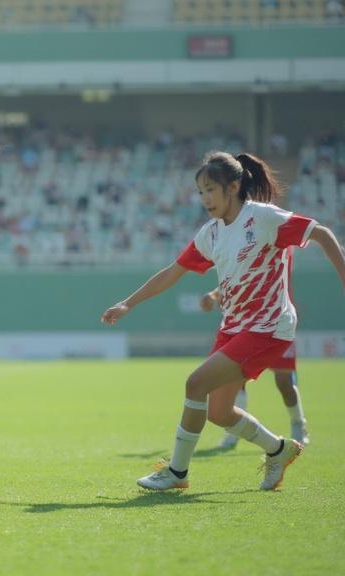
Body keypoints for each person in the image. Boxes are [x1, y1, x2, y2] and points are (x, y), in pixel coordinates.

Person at [102, 151, 345, 492]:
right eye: (200, 192)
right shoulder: (211, 233)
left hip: (268, 326)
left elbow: (320, 233)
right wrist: (128, 303)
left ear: (233, 186)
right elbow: (172, 273)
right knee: (219, 412)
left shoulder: (262, 218)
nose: (204, 199)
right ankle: (279, 448)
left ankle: (177, 473)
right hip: (234, 327)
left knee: (195, 384)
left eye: (210, 190)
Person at [201, 248, 309, 450]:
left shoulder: (276, 238)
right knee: (233, 379)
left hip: (277, 322)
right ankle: (233, 433)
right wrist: (215, 294)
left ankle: (298, 424)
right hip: (245, 323)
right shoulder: (248, 236)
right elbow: (238, 275)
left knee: (283, 382)